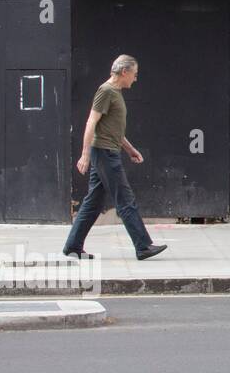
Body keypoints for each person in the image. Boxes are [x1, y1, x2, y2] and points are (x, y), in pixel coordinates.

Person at [63, 55, 167, 261]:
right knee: (125, 199)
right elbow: (91, 122)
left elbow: (113, 129)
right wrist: (85, 154)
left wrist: (130, 149)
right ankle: (143, 245)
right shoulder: (106, 91)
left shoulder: (115, 93)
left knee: (93, 203)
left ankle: (73, 246)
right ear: (124, 72)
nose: (135, 79)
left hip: (108, 150)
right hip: (104, 153)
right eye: (134, 74)